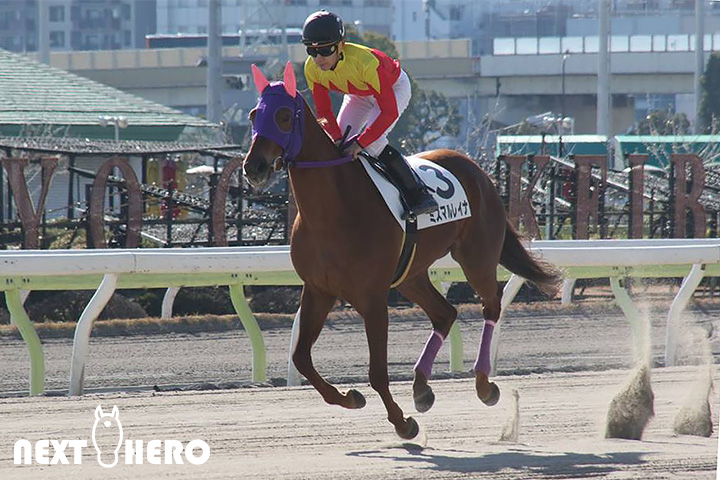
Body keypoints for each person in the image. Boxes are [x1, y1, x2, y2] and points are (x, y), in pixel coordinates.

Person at [301, 10, 438, 219]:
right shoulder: (311, 68)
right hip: (359, 94)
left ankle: (418, 195)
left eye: (325, 50)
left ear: (341, 45)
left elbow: (388, 112)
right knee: (338, 147)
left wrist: (360, 143)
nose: (318, 58)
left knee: (373, 144)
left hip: (393, 89)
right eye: (312, 51)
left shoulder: (365, 62)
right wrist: (337, 138)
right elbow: (324, 112)